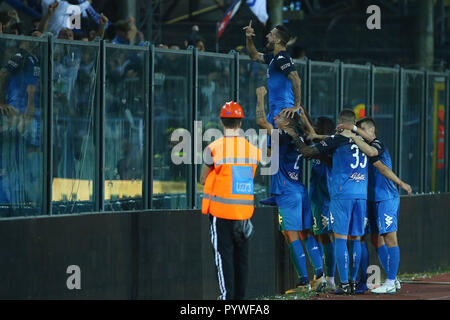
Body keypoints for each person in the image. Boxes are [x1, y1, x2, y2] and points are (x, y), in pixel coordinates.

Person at [284, 109, 368, 295]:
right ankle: (354, 282)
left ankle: (341, 283)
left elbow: (307, 150)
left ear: (340, 122)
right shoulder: (362, 141)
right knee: (355, 239)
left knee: (339, 239)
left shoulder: (335, 140)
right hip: (361, 194)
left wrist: (292, 135)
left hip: (340, 195)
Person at [255, 86, 326, 293]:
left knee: (291, 234)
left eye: (278, 115)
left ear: (286, 122)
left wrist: (260, 97)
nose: (274, 116)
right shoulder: (300, 138)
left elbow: (261, 122)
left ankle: (303, 282)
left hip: (288, 193)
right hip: (299, 190)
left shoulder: (283, 136)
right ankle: (319, 276)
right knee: (306, 233)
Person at [337, 117, 412, 294]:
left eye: (361, 130)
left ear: (371, 131)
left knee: (389, 237)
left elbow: (383, 169)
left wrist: (401, 183)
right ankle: (391, 278)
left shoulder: (377, 145)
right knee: (374, 239)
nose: (358, 133)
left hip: (386, 198)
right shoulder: (360, 148)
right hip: (369, 200)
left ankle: (391, 281)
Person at [200, 101, 262, 300]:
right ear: (240, 123)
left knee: (223, 257)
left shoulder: (214, 148)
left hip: (220, 213)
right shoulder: (252, 150)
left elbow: (202, 178)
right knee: (241, 260)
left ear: (221, 122)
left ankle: (226, 299)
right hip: (243, 214)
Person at [301, 113, 337, 292]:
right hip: (319, 196)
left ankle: (327, 278)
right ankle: (324, 277)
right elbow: (309, 133)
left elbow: (310, 146)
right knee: (317, 235)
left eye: (316, 125)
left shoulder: (327, 147)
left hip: (323, 197)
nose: (312, 127)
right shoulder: (319, 144)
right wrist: (303, 112)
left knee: (323, 236)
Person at [244, 20, 301, 125]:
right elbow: (254, 56)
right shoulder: (274, 58)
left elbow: (295, 78)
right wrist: (249, 37)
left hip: (283, 113)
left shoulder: (282, 57)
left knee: (277, 141)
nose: (267, 36)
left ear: (278, 40)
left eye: (270, 34)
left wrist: (296, 106)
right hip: (276, 111)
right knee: (273, 141)